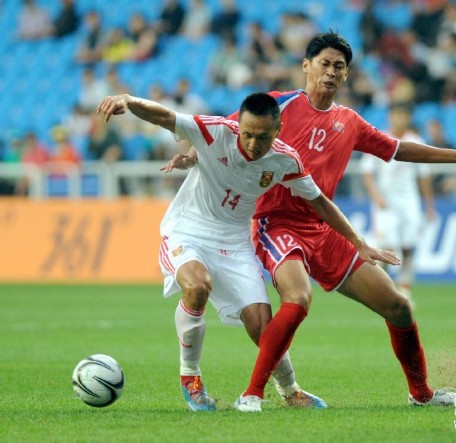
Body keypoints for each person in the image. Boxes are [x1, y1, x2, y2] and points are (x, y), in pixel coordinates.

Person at [222, 32, 456, 412]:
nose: (330, 72)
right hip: (276, 224)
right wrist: (191, 153)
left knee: (398, 305)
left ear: (347, 75)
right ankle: (252, 394)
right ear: (306, 65)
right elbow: (224, 131)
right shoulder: (278, 106)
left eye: (338, 67)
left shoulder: (349, 121)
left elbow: (399, 149)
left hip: (325, 229)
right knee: (298, 298)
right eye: (324, 63)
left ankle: (421, 393)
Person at [96, 92, 400, 412]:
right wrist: (129, 101)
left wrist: (358, 242)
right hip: (188, 231)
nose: (254, 143)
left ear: (279, 130)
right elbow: (164, 116)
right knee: (197, 286)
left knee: (262, 325)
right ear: (238, 125)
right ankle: (191, 378)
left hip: (235, 242)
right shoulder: (215, 131)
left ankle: (290, 390)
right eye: (248, 134)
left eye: (263, 137)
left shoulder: (285, 159)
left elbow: (319, 202)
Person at [361, 104, 435, 300]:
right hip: (386, 203)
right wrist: (376, 196)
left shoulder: (416, 141)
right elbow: (367, 172)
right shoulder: (379, 138)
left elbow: (424, 176)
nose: (398, 119)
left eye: (402, 115)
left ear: (408, 118)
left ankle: (405, 286)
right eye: (395, 115)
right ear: (390, 117)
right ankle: (384, 290)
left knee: (409, 247)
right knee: (387, 247)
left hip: (410, 201)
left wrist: (429, 205)